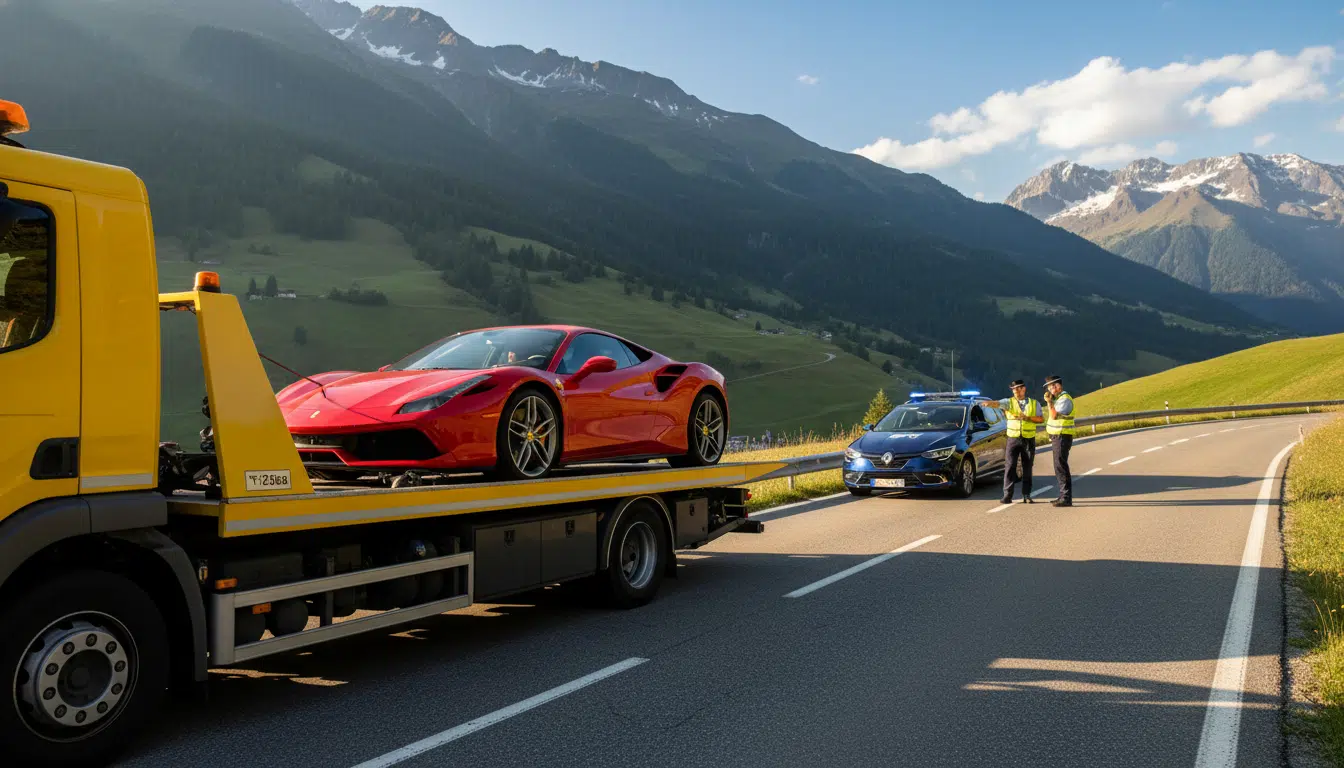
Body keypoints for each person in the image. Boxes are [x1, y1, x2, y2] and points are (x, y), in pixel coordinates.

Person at [987, 380, 1044, 504]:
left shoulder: (1035, 404)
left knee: (1027, 467)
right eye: (1014, 389)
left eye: (1018, 389)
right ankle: (1007, 495)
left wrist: (1027, 418)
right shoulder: (1009, 402)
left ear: (1024, 389)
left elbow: (1040, 419)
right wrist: (989, 403)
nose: (1016, 391)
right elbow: (998, 404)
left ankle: (1026, 495)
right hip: (1013, 439)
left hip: (1028, 439)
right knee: (1010, 467)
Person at [1043, 375, 1076, 507]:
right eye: (1049, 387)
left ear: (1058, 386)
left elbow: (1054, 415)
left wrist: (1049, 402)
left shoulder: (1064, 399)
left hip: (1062, 436)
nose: (1050, 389)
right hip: (1058, 436)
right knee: (1059, 466)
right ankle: (1063, 496)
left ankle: (1066, 498)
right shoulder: (1058, 399)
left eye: (1052, 386)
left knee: (1060, 466)